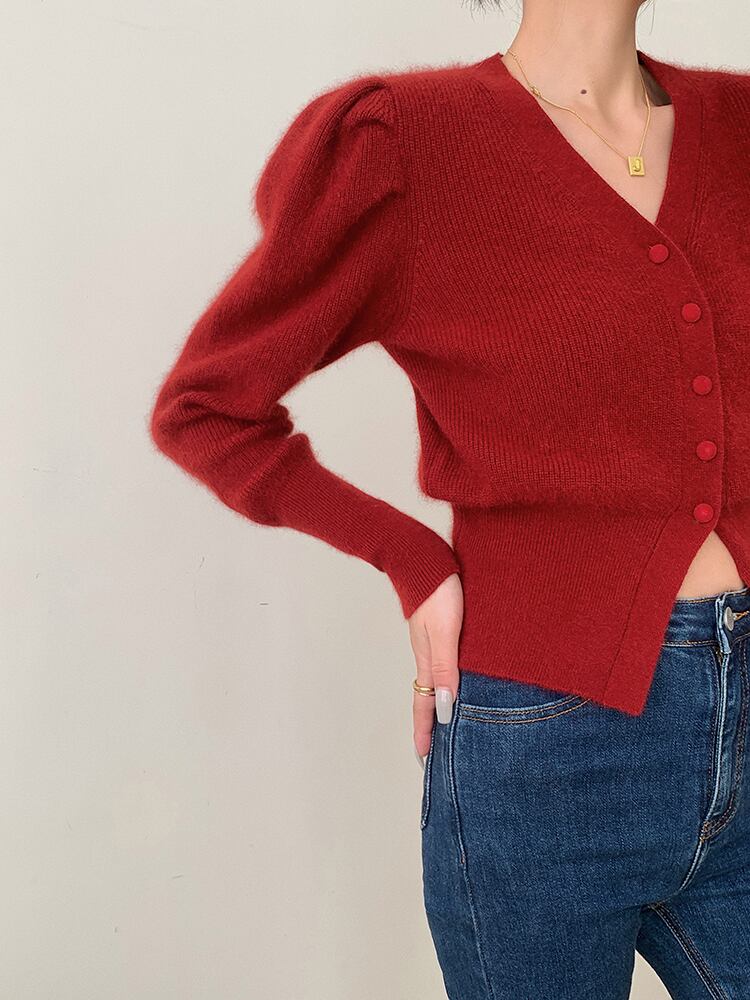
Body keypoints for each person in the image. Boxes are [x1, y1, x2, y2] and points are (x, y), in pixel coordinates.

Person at [149, 0, 750, 994]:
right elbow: (207, 407)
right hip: (547, 741)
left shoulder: (738, 126)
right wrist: (412, 560)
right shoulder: (407, 143)